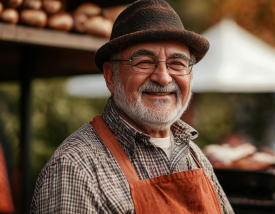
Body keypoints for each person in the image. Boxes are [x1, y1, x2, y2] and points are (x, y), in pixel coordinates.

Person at [30, 0, 234, 213]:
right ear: (111, 76)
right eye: (144, 62)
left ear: (190, 75)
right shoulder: (75, 168)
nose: (163, 78)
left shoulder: (193, 154)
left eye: (177, 63)